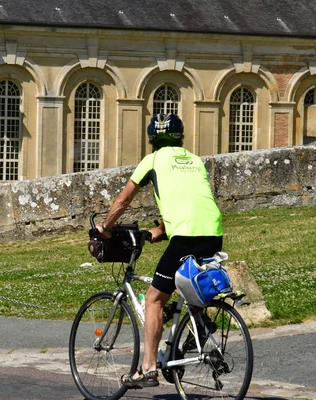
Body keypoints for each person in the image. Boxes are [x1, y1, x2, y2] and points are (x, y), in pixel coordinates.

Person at [97, 113, 223, 389]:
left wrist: (105, 227)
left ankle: (148, 369)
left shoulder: (152, 160)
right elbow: (191, 202)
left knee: (154, 300)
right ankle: (198, 326)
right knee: (188, 285)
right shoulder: (194, 160)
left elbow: (123, 199)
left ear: (152, 139)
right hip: (213, 232)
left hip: (186, 236)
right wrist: (160, 232)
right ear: (181, 137)